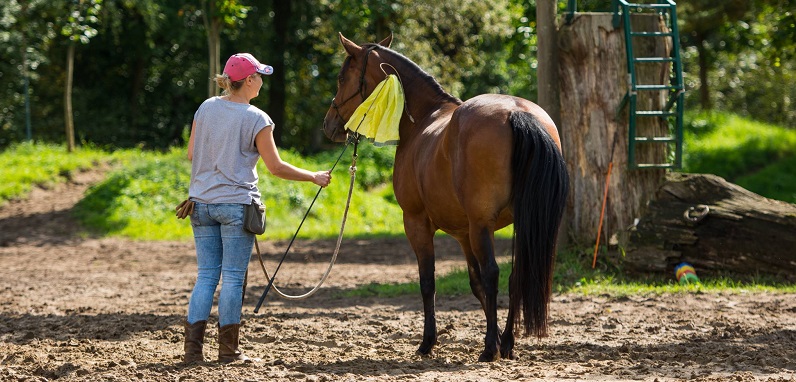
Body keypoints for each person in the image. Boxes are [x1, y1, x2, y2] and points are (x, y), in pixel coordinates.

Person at [183, 53, 332, 364]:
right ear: (248, 81)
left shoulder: (205, 108)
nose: (263, 82)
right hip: (236, 206)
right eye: (260, 76)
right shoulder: (257, 118)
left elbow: (190, 154)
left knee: (207, 275)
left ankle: (193, 351)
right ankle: (228, 352)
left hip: (199, 205)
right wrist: (314, 177)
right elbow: (275, 167)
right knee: (234, 277)